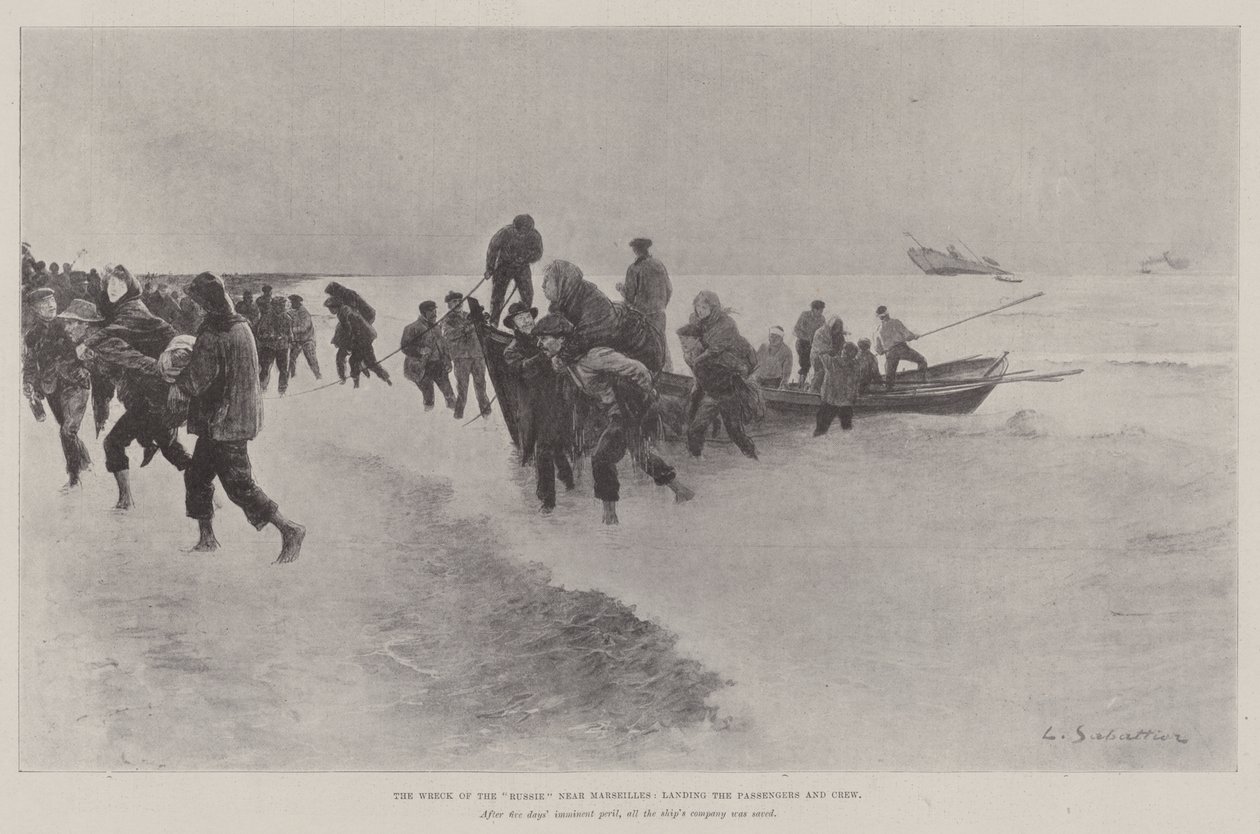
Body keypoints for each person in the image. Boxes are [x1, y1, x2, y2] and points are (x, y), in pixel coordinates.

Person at [174, 272, 305, 563]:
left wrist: (176, 382)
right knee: (197, 476)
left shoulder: (215, 332)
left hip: (224, 422)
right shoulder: (241, 325)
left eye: (197, 300)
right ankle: (207, 539)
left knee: (240, 486)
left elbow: (197, 379)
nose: (194, 305)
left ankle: (289, 529)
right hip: (232, 418)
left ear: (207, 302)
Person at [534, 313, 690, 525]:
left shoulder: (593, 356)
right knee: (640, 454)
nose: (539, 343)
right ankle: (682, 491)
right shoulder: (568, 360)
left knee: (601, 457)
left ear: (561, 339)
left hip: (629, 409)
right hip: (614, 410)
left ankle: (610, 518)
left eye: (544, 338)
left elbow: (638, 368)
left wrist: (647, 393)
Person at [88, 333, 195, 510]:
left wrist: (164, 414)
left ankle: (125, 500)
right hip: (144, 407)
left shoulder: (122, 354)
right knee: (172, 450)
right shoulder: (99, 362)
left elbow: (155, 371)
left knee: (113, 443)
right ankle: (209, 492)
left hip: (149, 406)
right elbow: (103, 391)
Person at [502, 301, 574, 514]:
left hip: (556, 400)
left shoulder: (544, 337)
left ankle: (568, 481)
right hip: (533, 406)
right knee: (543, 449)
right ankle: (547, 500)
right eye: (520, 318)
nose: (526, 321)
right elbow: (522, 370)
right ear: (513, 325)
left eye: (527, 316)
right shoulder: (512, 350)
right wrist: (545, 356)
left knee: (558, 445)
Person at [675, 291, 762, 460]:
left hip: (729, 385)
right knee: (695, 428)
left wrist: (699, 360)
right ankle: (696, 458)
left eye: (704, 307)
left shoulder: (726, 324)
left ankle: (753, 456)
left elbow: (717, 350)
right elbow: (692, 338)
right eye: (698, 306)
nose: (700, 310)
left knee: (735, 431)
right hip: (712, 391)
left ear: (713, 307)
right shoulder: (696, 323)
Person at [23, 290, 94, 490]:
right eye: (45, 303)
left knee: (67, 431)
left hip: (75, 383)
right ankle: (85, 462)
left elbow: (90, 348)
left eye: (52, 300)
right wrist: (28, 383)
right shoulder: (32, 336)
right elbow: (29, 363)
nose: (51, 305)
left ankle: (73, 477)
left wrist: (86, 367)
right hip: (51, 387)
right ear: (35, 309)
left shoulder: (69, 324)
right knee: (66, 429)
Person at [541, 259, 664, 372]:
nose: (543, 285)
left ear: (562, 281)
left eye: (547, 280)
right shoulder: (560, 303)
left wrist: (563, 357)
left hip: (641, 349)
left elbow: (588, 336)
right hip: (616, 351)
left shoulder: (592, 300)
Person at [621, 238, 673, 371]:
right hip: (659, 313)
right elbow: (669, 289)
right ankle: (665, 371)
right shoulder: (659, 264)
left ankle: (646, 374)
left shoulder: (634, 268)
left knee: (643, 347)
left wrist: (620, 289)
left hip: (642, 315)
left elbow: (629, 296)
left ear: (635, 250)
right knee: (660, 343)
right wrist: (661, 305)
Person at [485, 214, 544, 325]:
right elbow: (492, 249)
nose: (521, 234)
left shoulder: (535, 236)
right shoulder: (505, 233)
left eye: (525, 232)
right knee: (497, 296)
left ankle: (524, 323)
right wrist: (489, 268)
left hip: (522, 267)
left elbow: (538, 253)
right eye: (519, 231)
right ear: (514, 227)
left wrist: (526, 258)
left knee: (528, 295)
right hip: (504, 266)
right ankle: (493, 323)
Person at [442, 291, 491, 419]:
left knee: (481, 385)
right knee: (462, 388)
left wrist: (483, 320)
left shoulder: (469, 316)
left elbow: (482, 331)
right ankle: (459, 414)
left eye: (459, 301)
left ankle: (486, 412)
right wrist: (466, 328)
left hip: (477, 355)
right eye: (454, 302)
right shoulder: (447, 320)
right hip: (461, 358)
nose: (458, 304)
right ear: (448, 305)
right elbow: (449, 335)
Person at [325, 295, 391, 388]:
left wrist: (348, 346)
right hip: (360, 339)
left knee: (362, 362)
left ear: (336, 306)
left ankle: (357, 385)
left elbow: (351, 331)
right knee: (356, 360)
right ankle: (384, 379)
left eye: (331, 308)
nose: (330, 310)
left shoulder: (345, 313)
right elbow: (347, 331)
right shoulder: (344, 312)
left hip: (363, 340)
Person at [400, 300, 455, 410]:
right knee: (429, 395)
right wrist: (420, 350)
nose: (435, 313)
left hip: (439, 365)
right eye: (431, 311)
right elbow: (405, 347)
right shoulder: (412, 328)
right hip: (422, 367)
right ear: (423, 313)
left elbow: (443, 346)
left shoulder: (437, 327)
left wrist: (447, 359)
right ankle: (428, 418)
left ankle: (455, 413)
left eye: (435, 310)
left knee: (449, 392)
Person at [873, 304, 927, 387]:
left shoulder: (878, 330)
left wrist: (883, 350)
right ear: (887, 313)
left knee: (889, 376)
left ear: (880, 317)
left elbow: (879, 350)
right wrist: (915, 336)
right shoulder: (896, 322)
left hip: (890, 353)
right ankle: (921, 383)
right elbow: (908, 336)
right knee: (922, 361)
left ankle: (889, 390)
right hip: (902, 349)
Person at [814, 342, 861, 435]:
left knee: (821, 430)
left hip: (830, 401)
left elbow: (820, 352)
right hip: (846, 402)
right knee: (847, 430)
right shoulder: (856, 366)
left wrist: (830, 350)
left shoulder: (832, 362)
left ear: (843, 351)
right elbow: (856, 383)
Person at [256, 296, 293, 396]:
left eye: (283, 306)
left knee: (283, 370)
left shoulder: (287, 318)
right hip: (269, 347)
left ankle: (282, 390)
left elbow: (290, 335)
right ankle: (261, 389)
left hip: (282, 348)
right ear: (274, 306)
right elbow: (259, 334)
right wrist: (270, 336)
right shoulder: (266, 317)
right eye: (280, 306)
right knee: (265, 368)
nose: (282, 308)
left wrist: (287, 338)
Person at [792, 300, 827, 387]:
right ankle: (801, 384)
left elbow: (824, 331)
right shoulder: (805, 315)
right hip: (803, 343)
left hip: (815, 344)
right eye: (820, 310)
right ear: (814, 309)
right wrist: (807, 337)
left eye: (822, 311)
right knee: (805, 364)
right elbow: (796, 330)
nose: (821, 313)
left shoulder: (822, 319)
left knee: (818, 364)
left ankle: (814, 385)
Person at [286, 295, 321, 380]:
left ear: (297, 303)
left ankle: (318, 377)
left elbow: (304, 328)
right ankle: (292, 377)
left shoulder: (305, 313)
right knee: (291, 359)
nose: (291, 304)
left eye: (293, 302)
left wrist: (291, 330)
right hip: (297, 341)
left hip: (307, 340)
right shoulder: (292, 312)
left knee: (311, 359)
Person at [809, 315, 846, 393]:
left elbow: (842, 347)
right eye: (836, 326)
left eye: (839, 326)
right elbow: (818, 347)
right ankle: (814, 391)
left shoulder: (840, 336)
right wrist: (829, 351)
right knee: (821, 372)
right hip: (818, 357)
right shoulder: (820, 332)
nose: (837, 328)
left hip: (833, 357)